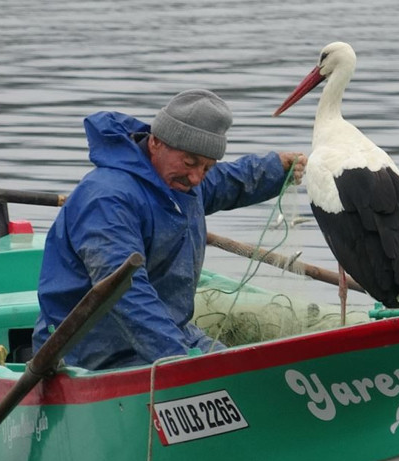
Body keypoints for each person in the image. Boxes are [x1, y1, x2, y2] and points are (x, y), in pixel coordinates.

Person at [32, 89, 307, 370]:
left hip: (171, 331)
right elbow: (125, 291)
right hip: (89, 351)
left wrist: (274, 169)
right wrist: (178, 361)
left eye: (206, 167)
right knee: (215, 374)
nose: (196, 177)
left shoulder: (182, 182)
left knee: (243, 370)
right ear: (156, 142)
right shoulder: (107, 199)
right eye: (189, 163)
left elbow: (225, 182)